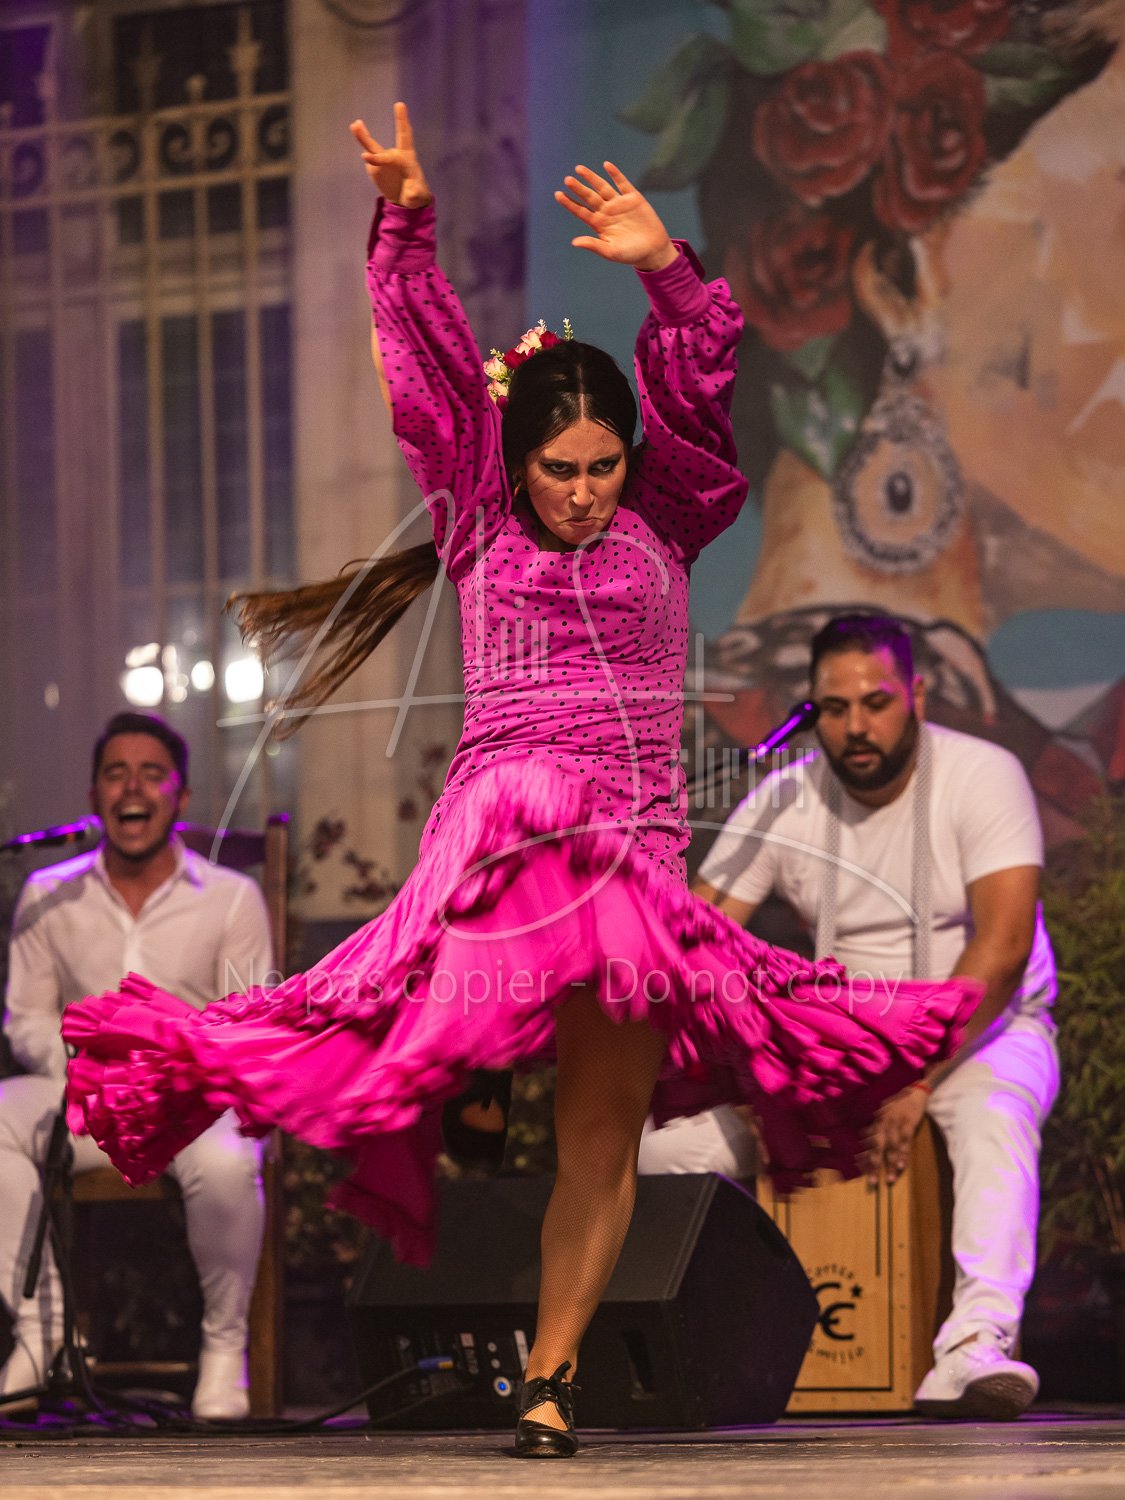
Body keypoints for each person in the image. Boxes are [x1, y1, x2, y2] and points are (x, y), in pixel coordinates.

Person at [60, 107, 978, 1459]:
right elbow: (425, 370)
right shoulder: (478, 510)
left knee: (601, 1142)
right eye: (561, 469)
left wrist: (666, 270)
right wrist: (407, 224)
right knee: (473, 882)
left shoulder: (671, 512)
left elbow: (701, 393)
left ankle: (548, 1380)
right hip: (504, 835)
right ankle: (406, 1066)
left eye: (604, 468)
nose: (585, 492)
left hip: (633, 864)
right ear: (516, 458)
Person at [650, 612, 1057, 1420]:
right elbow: (694, 943)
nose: (855, 727)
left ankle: (975, 1345)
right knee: (661, 1151)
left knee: (994, 1117)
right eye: (833, 709)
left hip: (979, 1032)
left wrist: (917, 1080)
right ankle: (723, 1348)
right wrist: (757, 1075)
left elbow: (1004, 945)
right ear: (811, 712)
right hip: (846, 1049)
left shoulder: (982, 775)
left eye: (875, 703)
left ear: (915, 695)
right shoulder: (784, 799)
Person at [0, 713, 273, 1419]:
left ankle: (224, 1348)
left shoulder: (231, 897)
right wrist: (89, 1066)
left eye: (152, 774)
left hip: (188, 1104)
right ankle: (43, 1330)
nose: (133, 787)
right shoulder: (49, 893)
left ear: (180, 796)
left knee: (231, 1159)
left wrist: (165, 1070)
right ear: (94, 795)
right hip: (83, 1099)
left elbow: (248, 1021)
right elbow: (25, 1019)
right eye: (116, 774)